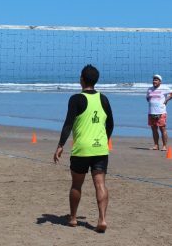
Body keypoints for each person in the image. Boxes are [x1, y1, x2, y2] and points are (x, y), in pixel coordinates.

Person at [53, 64, 114, 232]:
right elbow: (111, 124)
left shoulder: (76, 99)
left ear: (81, 79)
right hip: (100, 148)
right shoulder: (104, 99)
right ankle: (102, 219)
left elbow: (68, 124)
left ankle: (73, 218)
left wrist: (60, 145)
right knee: (100, 184)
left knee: (76, 185)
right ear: (96, 80)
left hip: (81, 149)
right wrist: (104, 140)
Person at [146, 74, 172, 151]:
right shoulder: (149, 89)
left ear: (160, 81)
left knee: (162, 129)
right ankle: (156, 145)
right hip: (151, 112)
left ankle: (164, 146)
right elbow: (147, 98)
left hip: (161, 112)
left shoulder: (164, 88)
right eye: (153, 80)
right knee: (153, 129)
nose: (154, 81)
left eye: (156, 80)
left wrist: (167, 100)